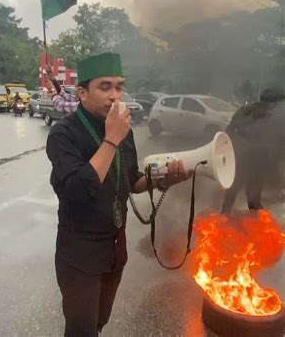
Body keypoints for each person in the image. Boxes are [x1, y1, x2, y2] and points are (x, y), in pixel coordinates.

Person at [46, 52, 190, 336]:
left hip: (115, 248)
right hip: (80, 252)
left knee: (99, 321)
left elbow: (130, 180)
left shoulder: (124, 131)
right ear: (82, 92)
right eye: (105, 87)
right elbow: (77, 189)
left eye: (119, 86)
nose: (115, 95)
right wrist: (111, 139)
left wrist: (163, 180)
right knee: (80, 330)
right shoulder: (64, 134)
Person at [221, 86, 285, 213]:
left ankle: (229, 215)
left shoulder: (244, 110)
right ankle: (227, 217)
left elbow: (228, 132)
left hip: (246, 159)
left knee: (239, 194)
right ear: (272, 103)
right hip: (247, 159)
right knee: (243, 194)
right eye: (278, 103)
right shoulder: (269, 117)